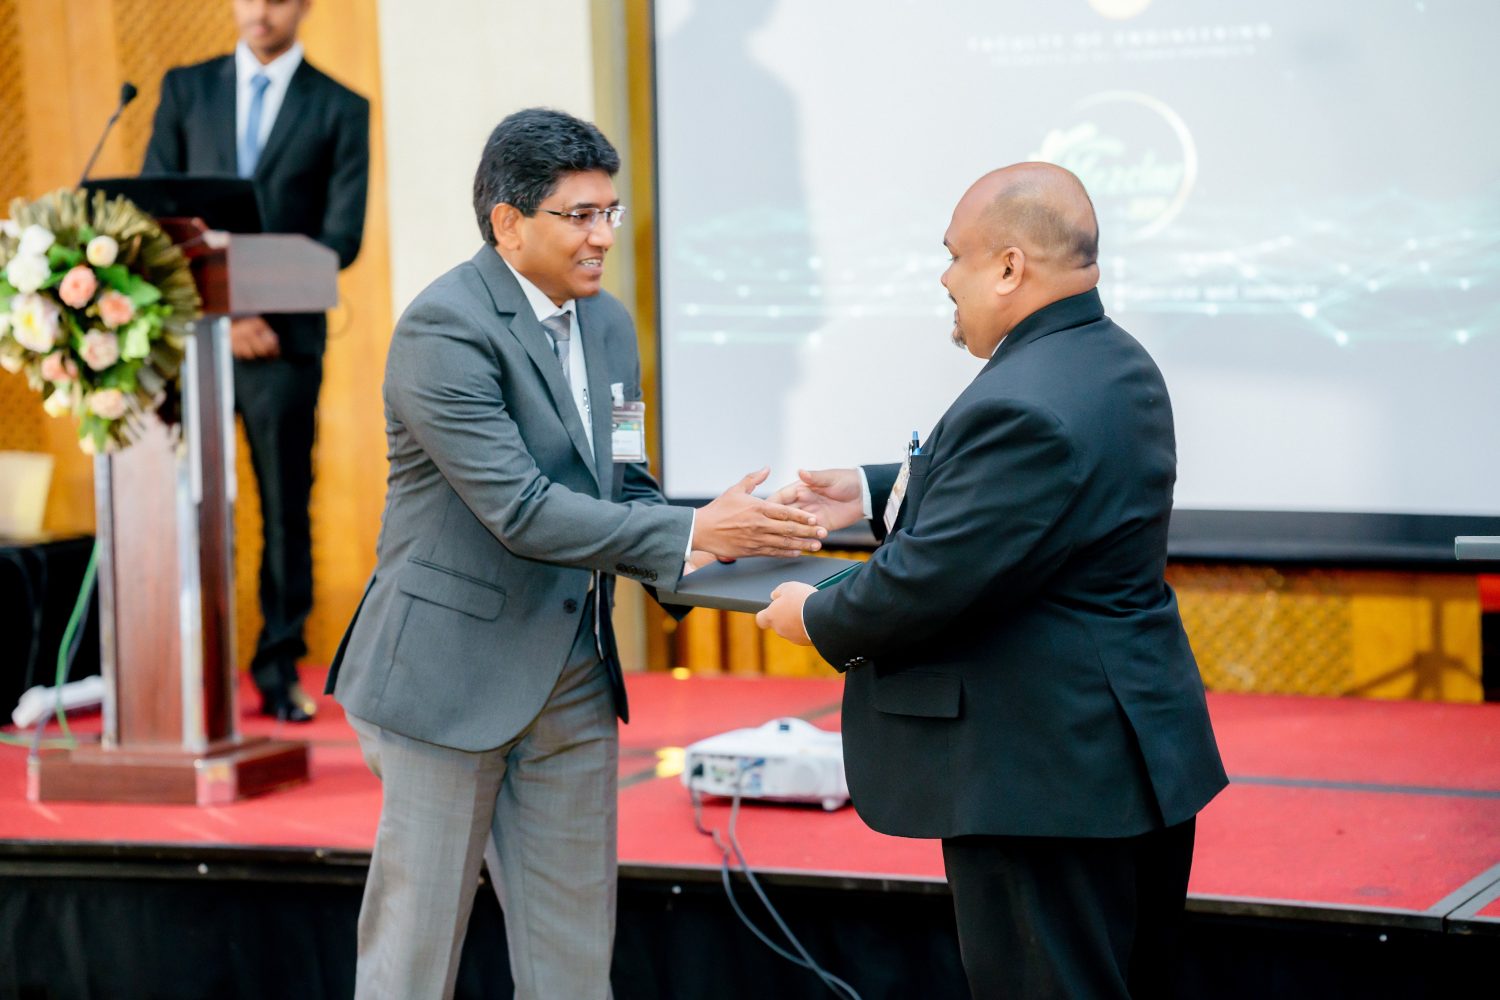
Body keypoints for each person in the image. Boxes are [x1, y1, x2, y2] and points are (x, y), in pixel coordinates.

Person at [326, 108, 826, 1000]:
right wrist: (694, 532)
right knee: (411, 965)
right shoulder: (443, 330)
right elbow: (520, 510)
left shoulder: (609, 328)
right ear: (508, 222)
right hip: (448, 682)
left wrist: (735, 534)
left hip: (573, 676)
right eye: (580, 215)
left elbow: (624, 481)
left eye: (609, 212)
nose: (602, 236)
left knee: (574, 964)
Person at [758, 162, 1228, 998]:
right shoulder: (1109, 359)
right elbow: (1019, 508)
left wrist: (816, 614)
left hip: (1040, 781)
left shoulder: (1024, 402)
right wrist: (867, 491)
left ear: (1009, 267)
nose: (945, 279)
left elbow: (929, 581)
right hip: (1120, 762)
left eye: (954, 256)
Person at [142, 0, 370, 722]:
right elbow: (151, 210)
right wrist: (228, 315)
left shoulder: (340, 107)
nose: (259, 11)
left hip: (284, 344)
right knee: (185, 506)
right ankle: (183, 665)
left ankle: (278, 667)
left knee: (283, 510)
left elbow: (341, 238)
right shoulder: (186, 89)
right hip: (192, 342)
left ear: (303, 6)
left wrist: (256, 312)